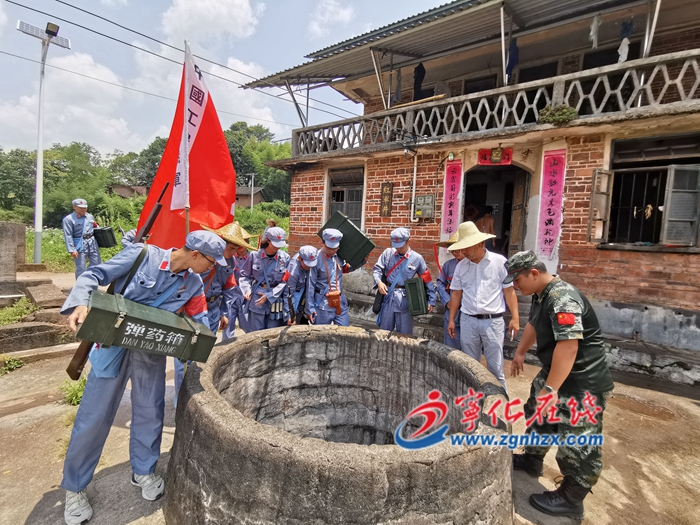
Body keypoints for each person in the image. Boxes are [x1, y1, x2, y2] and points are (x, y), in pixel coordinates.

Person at [59, 230, 226, 525]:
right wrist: (82, 302)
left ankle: (144, 471)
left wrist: (204, 348)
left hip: (150, 352)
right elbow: (94, 274)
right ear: (196, 255)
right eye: (212, 262)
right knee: (94, 417)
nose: (213, 268)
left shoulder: (193, 283)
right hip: (112, 346)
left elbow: (199, 320)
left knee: (150, 412)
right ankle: (74, 488)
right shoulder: (142, 256)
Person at [506, 251, 614, 521]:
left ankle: (572, 498)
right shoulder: (541, 294)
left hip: (582, 381)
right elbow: (534, 325)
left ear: (534, 273)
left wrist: (551, 390)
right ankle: (532, 459)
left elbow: (568, 346)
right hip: (556, 371)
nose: (515, 286)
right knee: (538, 413)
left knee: (577, 439)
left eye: (517, 280)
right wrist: (520, 352)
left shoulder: (562, 297)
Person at [173, 223, 255, 405]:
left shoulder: (230, 263)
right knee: (184, 358)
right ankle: (180, 402)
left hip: (212, 311)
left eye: (236, 249)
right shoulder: (200, 258)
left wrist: (224, 312)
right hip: (190, 312)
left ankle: (195, 396)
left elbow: (229, 288)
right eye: (231, 248)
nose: (234, 253)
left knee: (203, 356)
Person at [446, 221, 519, 392]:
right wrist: (451, 319)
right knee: (470, 366)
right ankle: (474, 400)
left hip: (492, 322)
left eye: (466, 247)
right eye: (462, 247)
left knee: (495, 367)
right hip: (468, 321)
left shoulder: (499, 262)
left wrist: (515, 318)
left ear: (479, 244)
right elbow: (456, 294)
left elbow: (509, 291)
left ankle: (499, 401)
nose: (463, 251)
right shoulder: (461, 266)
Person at [373, 227, 436, 334]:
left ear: (408, 241)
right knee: (383, 333)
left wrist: (431, 300)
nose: (398, 248)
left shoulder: (417, 258)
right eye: (395, 245)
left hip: (405, 300)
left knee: (404, 335)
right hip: (388, 296)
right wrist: (379, 282)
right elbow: (377, 269)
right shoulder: (388, 253)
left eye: (401, 245)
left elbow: (426, 279)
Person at [307, 229, 365, 326]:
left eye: (335, 248)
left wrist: (362, 261)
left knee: (345, 331)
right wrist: (310, 308)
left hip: (340, 302)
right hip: (323, 305)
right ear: (322, 243)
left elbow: (346, 269)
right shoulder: (316, 259)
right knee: (321, 333)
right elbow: (310, 285)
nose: (332, 251)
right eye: (329, 248)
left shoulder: (339, 256)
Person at [239, 226, 290, 331]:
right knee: (255, 332)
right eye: (275, 244)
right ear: (267, 240)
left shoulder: (285, 258)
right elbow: (245, 276)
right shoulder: (254, 256)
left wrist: (270, 295)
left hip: (275, 299)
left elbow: (285, 281)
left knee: (272, 332)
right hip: (257, 298)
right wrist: (246, 290)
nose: (277, 248)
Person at [435, 231, 465, 350]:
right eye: (453, 249)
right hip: (452, 311)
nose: (455, 252)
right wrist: (447, 301)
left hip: (469, 311)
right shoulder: (448, 265)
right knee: (451, 348)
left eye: (458, 249)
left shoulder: (474, 265)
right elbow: (440, 283)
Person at [62, 198, 102, 279]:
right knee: (81, 267)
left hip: (92, 243)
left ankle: (90, 281)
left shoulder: (90, 217)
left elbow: (95, 227)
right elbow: (68, 235)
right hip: (79, 245)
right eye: (81, 208)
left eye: (85, 207)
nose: (83, 209)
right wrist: (72, 249)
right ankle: (81, 285)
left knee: (97, 264)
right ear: (74, 207)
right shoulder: (68, 219)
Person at [284, 245, 318, 325]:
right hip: (295, 297)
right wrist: (290, 315)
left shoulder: (310, 260)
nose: (309, 267)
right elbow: (288, 294)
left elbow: (310, 286)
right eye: (307, 265)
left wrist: (310, 309)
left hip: (303, 296)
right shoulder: (293, 272)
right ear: (299, 259)